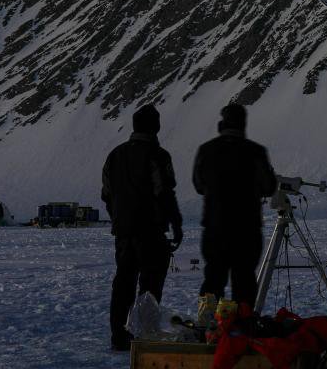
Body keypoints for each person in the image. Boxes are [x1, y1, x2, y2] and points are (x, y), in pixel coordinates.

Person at [102, 104, 183, 351]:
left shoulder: (115, 155)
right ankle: (144, 334)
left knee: (123, 282)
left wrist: (119, 218)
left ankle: (119, 335)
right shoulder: (158, 155)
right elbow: (165, 193)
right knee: (150, 284)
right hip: (150, 231)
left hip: (124, 232)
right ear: (155, 127)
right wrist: (175, 224)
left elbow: (107, 194)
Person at [193, 103, 277, 309]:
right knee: (244, 283)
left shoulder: (207, 150)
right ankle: (243, 329)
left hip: (215, 229)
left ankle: (207, 327)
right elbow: (269, 187)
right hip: (247, 230)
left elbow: (199, 184)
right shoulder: (256, 152)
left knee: (213, 280)